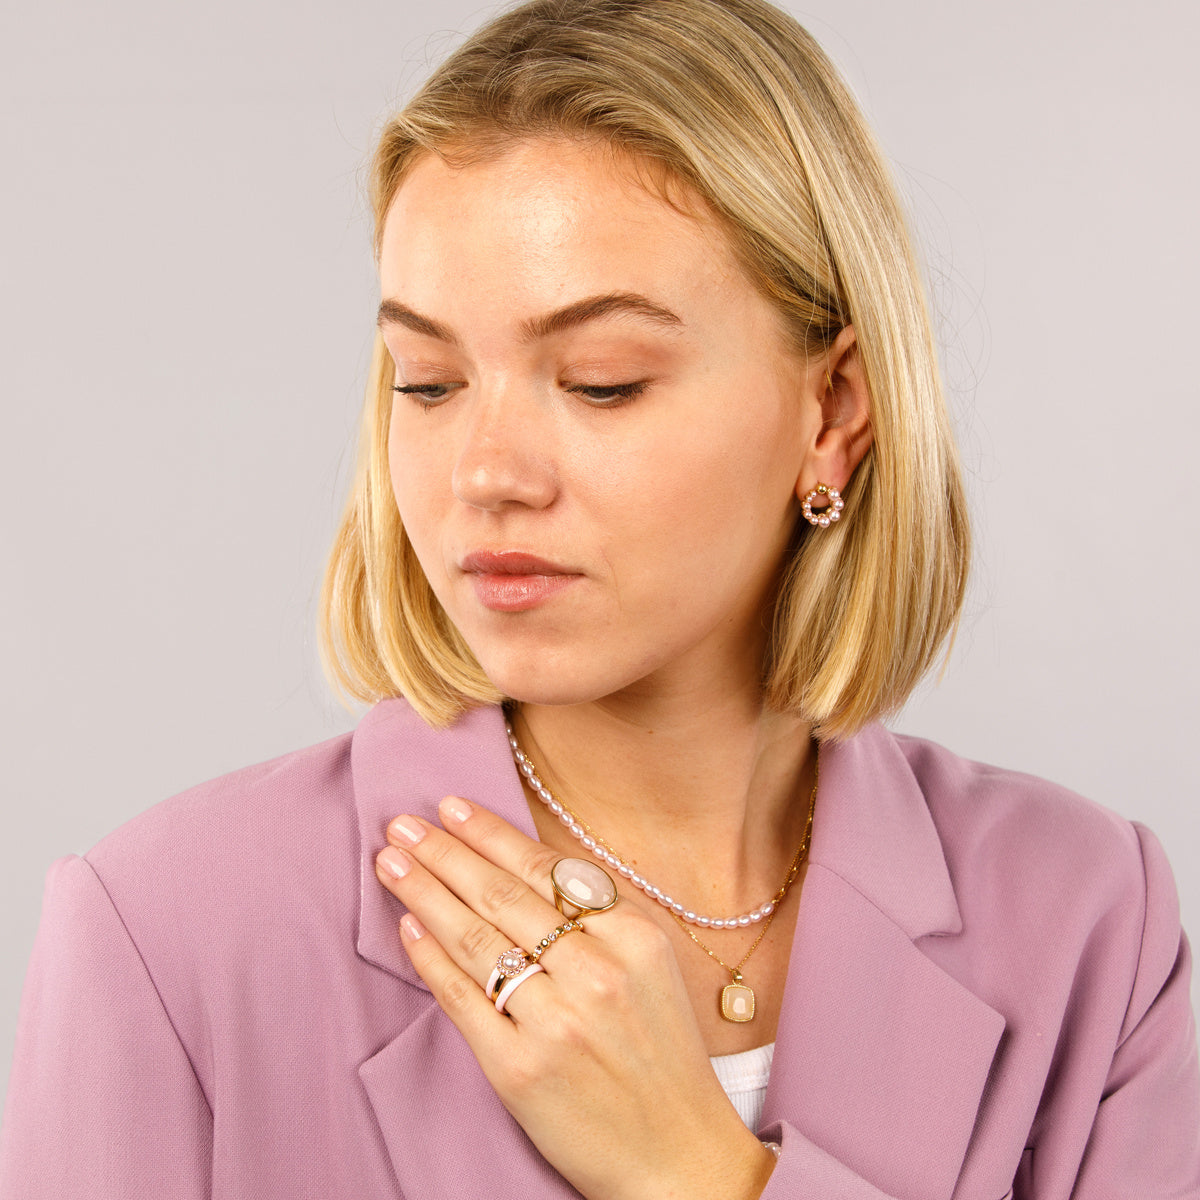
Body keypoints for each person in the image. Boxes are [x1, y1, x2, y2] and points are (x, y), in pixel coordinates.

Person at [1, 0, 1197, 1196]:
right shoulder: (165, 931)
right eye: (428, 382)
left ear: (833, 412)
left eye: (601, 381)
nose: (485, 475)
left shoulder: (1095, 920)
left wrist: (698, 1173)